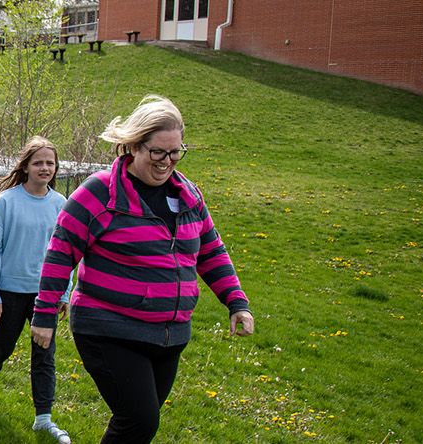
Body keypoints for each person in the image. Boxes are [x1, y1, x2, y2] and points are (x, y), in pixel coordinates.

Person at [30, 95, 256, 444]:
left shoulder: (188, 195)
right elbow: (61, 253)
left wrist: (236, 302)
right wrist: (44, 315)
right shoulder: (101, 192)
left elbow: (211, 251)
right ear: (133, 146)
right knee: (140, 421)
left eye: (176, 152)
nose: (168, 162)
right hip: (110, 327)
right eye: (158, 152)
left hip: (170, 336)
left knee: (133, 425)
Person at [0, 136, 71, 443]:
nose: (45, 168)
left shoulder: (61, 205)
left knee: (44, 356)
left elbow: (67, 254)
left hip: (45, 296)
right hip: (9, 292)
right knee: (0, 349)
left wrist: (64, 293)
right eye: (38, 162)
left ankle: (43, 418)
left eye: (50, 163)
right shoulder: (7, 201)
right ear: (25, 166)